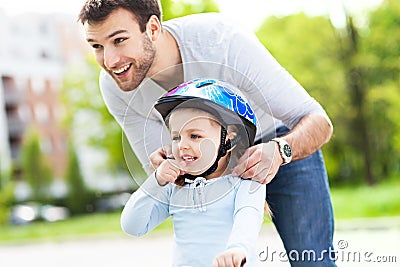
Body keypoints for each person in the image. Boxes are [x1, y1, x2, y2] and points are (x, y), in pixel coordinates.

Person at [79, 1, 336, 266]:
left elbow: (318, 122)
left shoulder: (221, 41)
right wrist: (166, 168)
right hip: (208, 162)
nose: (109, 61)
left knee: (313, 261)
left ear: (153, 28)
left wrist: (282, 151)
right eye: (96, 46)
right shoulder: (115, 86)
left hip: (280, 144)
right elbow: (161, 177)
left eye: (119, 40)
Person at [121, 78, 266, 267]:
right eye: (176, 137)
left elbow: (248, 218)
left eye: (195, 136)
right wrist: (156, 181)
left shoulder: (246, 182)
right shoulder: (175, 188)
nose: (182, 146)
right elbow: (132, 226)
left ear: (230, 137)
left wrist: (238, 249)